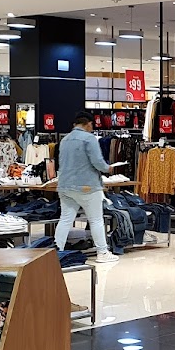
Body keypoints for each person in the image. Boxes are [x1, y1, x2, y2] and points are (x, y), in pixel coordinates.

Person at [55, 113, 116, 263]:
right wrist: (108, 168)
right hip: (87, 186)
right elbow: (97, 162)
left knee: (65, 219)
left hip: (65, 185)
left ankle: (55, 251)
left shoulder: (65, 140)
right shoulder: (89, 139)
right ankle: (102, 252)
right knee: (96, 220)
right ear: (88, 124)